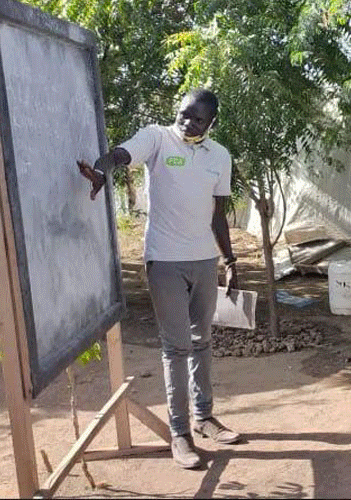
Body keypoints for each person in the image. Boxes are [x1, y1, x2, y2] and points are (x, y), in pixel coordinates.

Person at [77, 88, 243, 469]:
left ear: (211, 123)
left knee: (203, 341)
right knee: (177, 347)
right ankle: (180, 433)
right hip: (165, 261)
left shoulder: (220, 156)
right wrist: (103, 169)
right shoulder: (157, 137)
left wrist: (230, 260)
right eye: (184, 114)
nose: (187, 122)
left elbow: (218, 215)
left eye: (198, 119)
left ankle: (204, 418)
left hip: (204, 260)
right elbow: (122, 154)